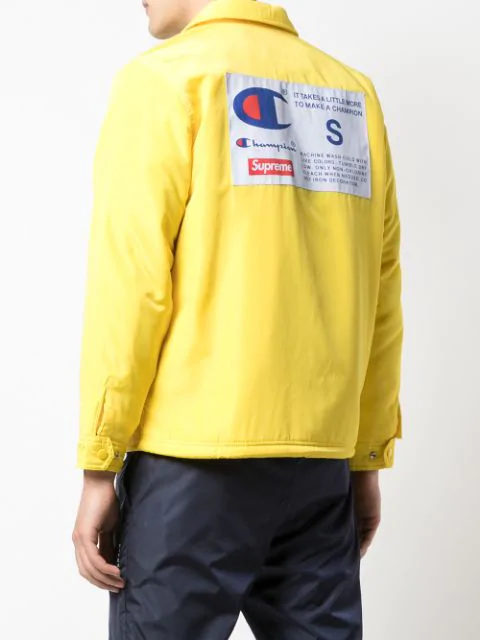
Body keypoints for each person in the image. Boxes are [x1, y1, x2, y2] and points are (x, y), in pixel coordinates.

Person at [72, 0, 403, 638]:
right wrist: (365, 456)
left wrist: (99, 464)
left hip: (192, 464)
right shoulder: (350, 92)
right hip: (321, 463)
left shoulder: (165, 79)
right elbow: (380, 291)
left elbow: (131, 285)